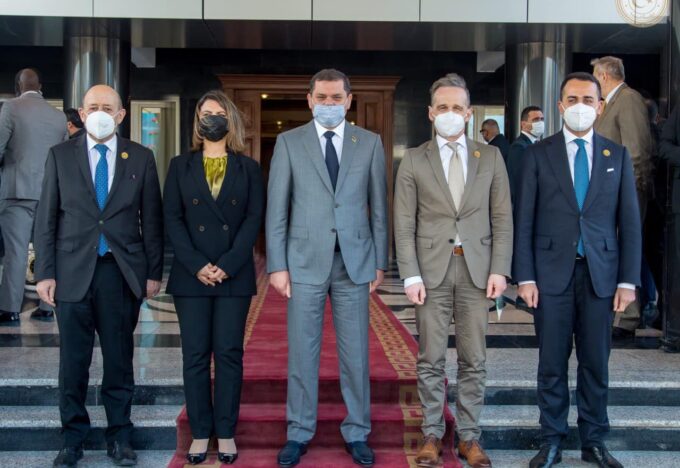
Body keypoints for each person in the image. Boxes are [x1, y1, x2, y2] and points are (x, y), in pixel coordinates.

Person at [513, 72, 641, 468]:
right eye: (572, 99)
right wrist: (525, 277)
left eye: (588, 99)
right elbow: (524, 219)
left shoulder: (616, 155)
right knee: (551, 363)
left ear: (600, 106)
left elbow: (630, 223)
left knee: (595, 363)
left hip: (600, 277)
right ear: (560, 106)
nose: (580, 106)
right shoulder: (539, 154)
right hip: (550, 276)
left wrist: (628, 280)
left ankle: (594, 440)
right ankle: (552, 439)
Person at [34, 84, 164, 468]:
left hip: (120, 274)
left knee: (119, 361)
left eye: (108, 107)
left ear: (121, 114)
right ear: (81, 113)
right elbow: (46, 218)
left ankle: (119, 437)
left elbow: (152, 221)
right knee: (73, 363)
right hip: (72, 273)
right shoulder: (59, 156)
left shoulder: (140, 157)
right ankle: (72, 439)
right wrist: (45, 272)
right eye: (93, 107)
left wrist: (152, 272)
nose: (100, 113)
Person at [266, 68, 388, 467]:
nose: (329, 104)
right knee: (303, 353)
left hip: (354, 262)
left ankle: (358, 431)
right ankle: (298, 432)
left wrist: (380, 262)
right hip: (304, 261)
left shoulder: (369, 143)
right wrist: (277, 264)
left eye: (337, 98)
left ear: (349, 101)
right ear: (310, 100)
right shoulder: (289, 142)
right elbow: (277, 208)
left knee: (356, 355)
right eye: (322, 98)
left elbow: (379, 208)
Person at [394, 73, 513, 468]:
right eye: (442, 107)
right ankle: (432, 433)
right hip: (431, 273)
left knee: (474, 358)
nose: (450, 113)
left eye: (457, 107)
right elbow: (404, 222)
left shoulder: (490, 157)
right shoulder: (415, 159)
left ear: (469, 113)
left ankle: (469, 437)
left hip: (477, 271)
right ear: (431, 113)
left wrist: (500, 269)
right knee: (430, 358)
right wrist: (410, 274)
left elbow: (502, 217)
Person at [163, 90, 264, 465]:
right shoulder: (180, 165)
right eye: (206, 114)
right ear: (197, 122)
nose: (212, 119)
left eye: (219, 113)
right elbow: (172, 218)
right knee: (194, 356)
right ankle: (200, 432)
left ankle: (226, 432)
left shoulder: (248, 168)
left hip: (232, 275)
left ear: (230, 120)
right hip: (191, 277)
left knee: (228, 354)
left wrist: (228, 263)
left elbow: (253, 219)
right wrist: (197, 264)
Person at [0, 68, 68, 323]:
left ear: (18, 86)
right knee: (47, 249)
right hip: (50, 193)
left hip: (17, 192)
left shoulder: (11, 107)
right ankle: (47, 307)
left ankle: (10, 309)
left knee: (16, 252)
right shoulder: (58, 116)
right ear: (40, 87)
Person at [592, 56, 653, 335]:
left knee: (627, 247)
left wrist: (632, 191)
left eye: (595, 76)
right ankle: (621, 312)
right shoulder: (611, 104)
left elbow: (636, 149)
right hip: (610, 193)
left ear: (604, 76)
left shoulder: (628, 100)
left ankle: (628, 317)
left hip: (626, 192)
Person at [507, 106, 544, 201]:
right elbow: (519, 181)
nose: (540, 123)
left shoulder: (537, 144)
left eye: (542, 119)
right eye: (535, 120)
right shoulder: (519, 147)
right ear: (523, 124)